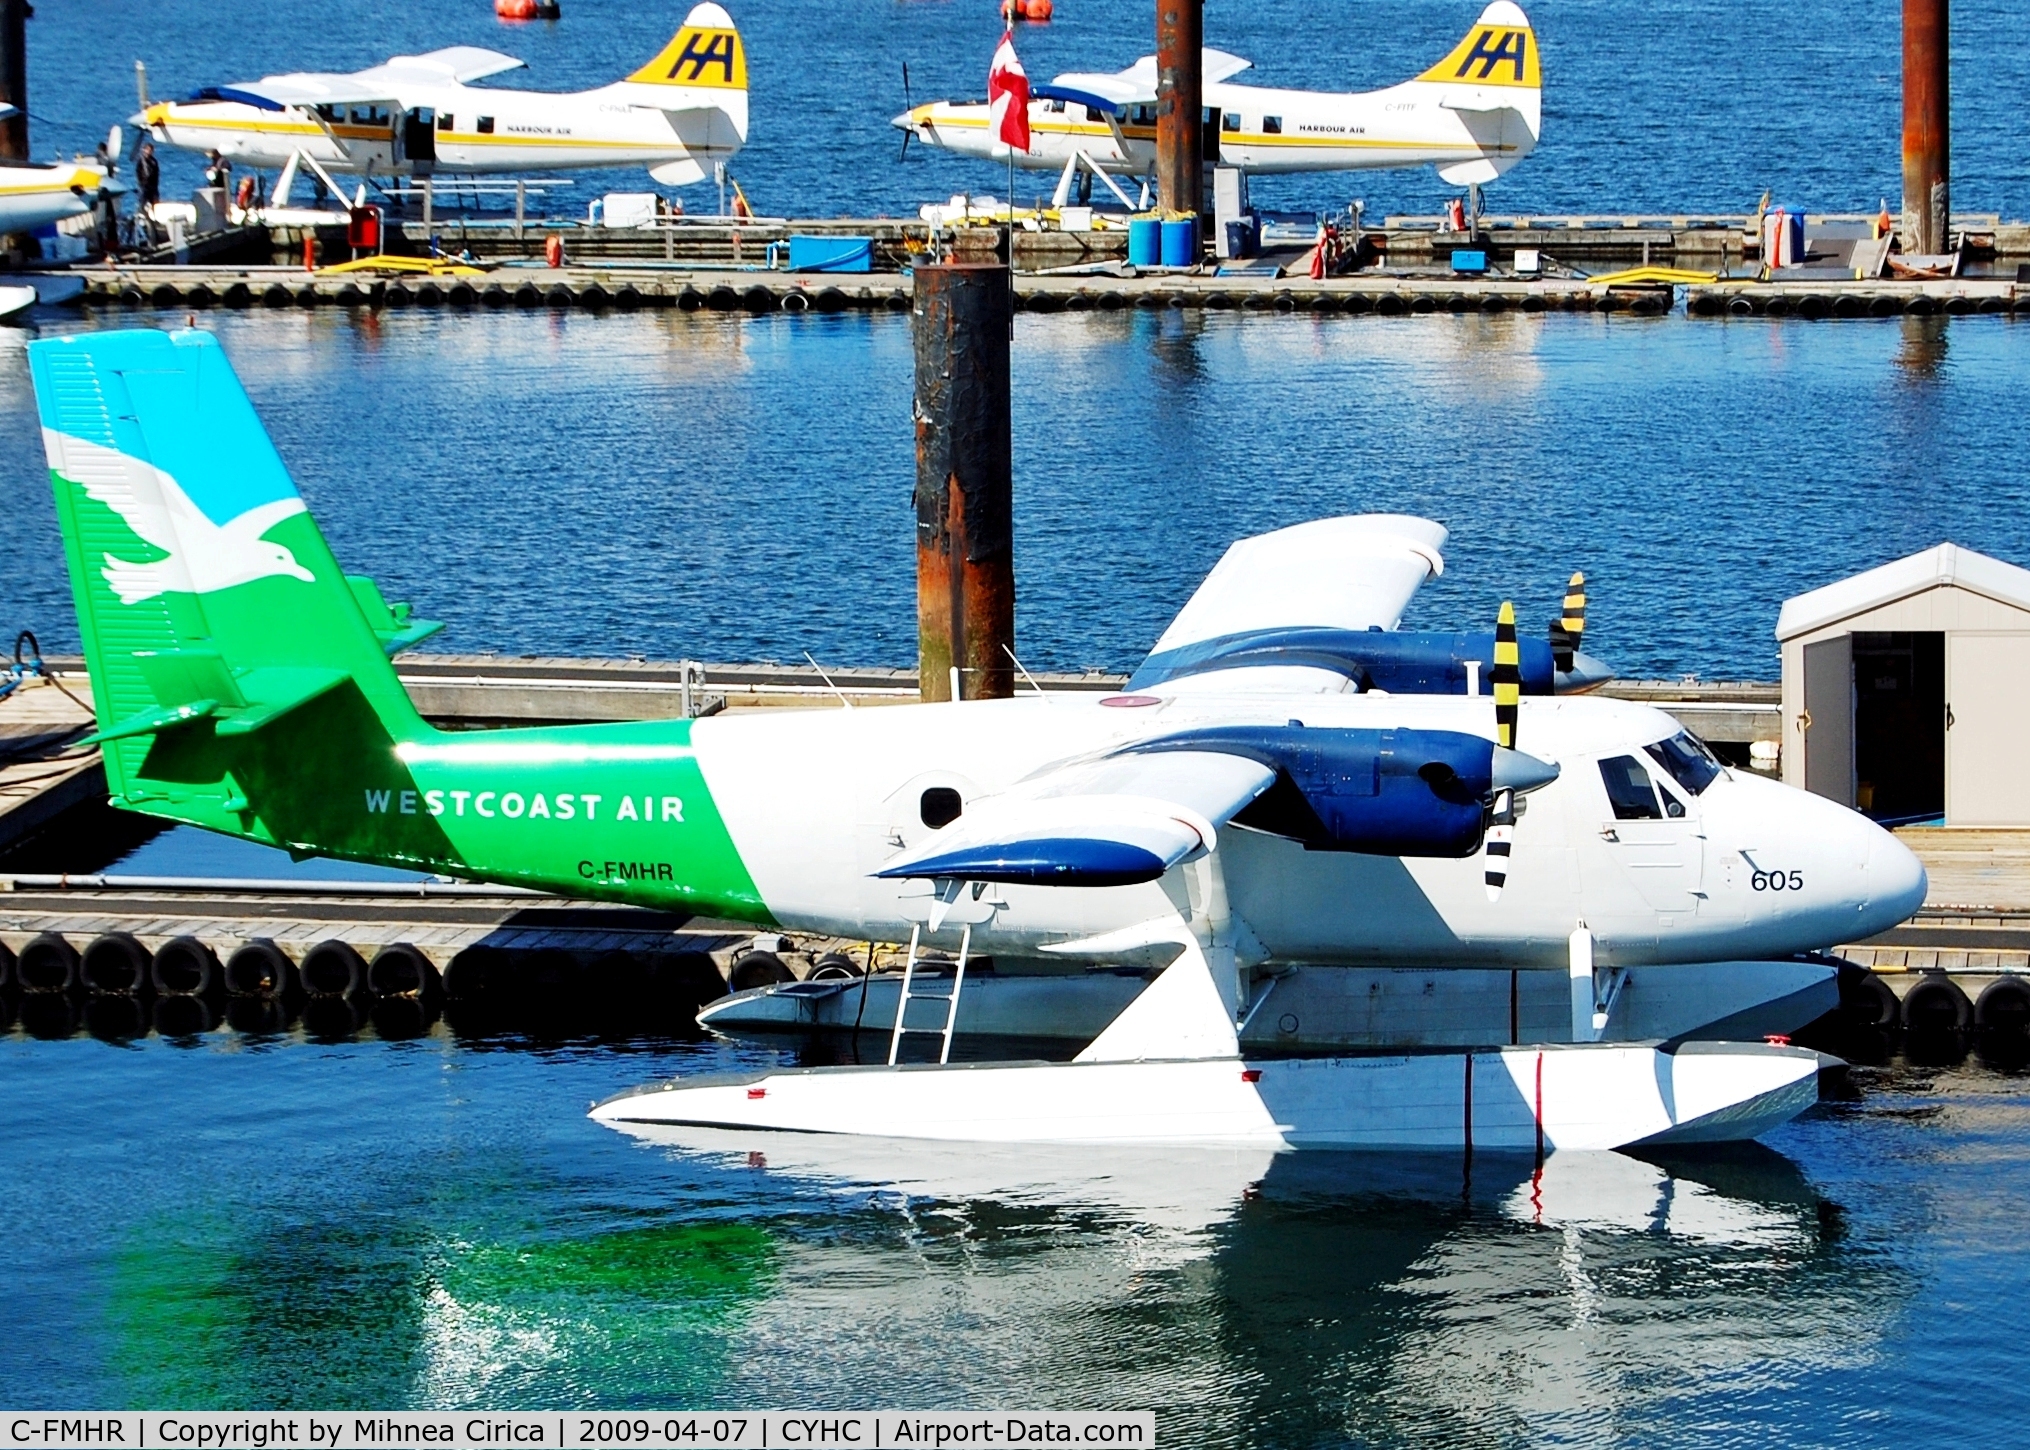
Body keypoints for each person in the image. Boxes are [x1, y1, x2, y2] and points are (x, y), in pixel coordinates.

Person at [134, 140, 159, 212]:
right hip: (144, 186)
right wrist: (141, 183)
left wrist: (155, 185)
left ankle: (154, 214)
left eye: (150, 150)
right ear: (144, 150)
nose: (148, 152)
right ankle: (142, 213)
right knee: (143, 202)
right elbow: (138, 172)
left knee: (155, 202)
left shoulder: (154, 161)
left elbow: (156, 174)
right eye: (147, 150)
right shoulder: (141, 161)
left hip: (153, 186)